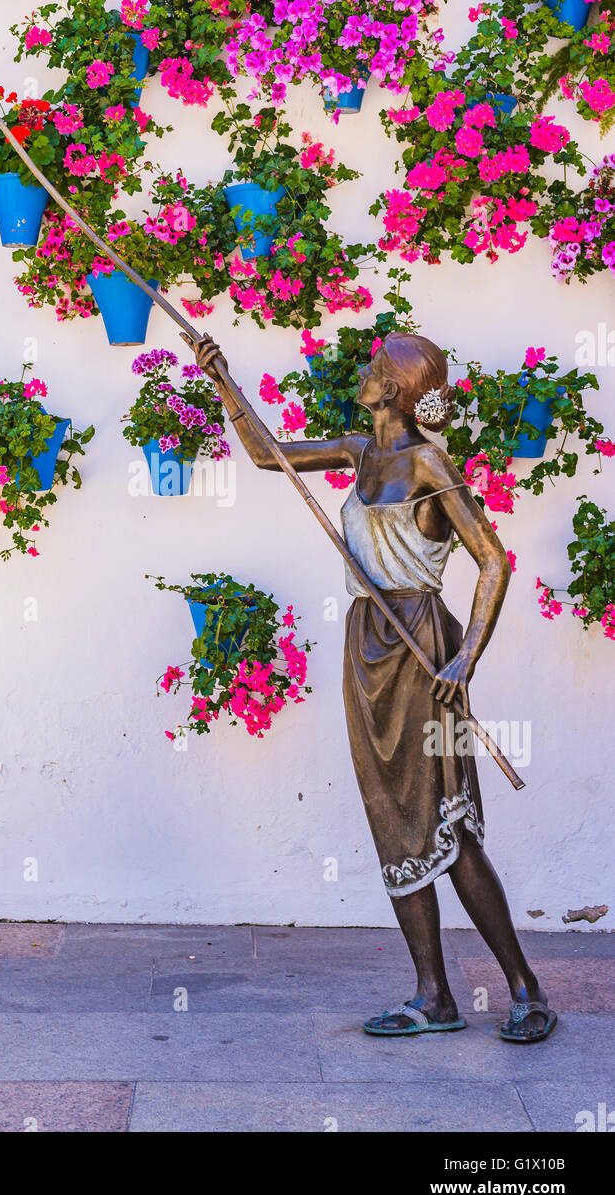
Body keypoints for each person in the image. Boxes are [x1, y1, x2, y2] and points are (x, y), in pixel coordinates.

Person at [186, 326, 556, 1042]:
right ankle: (432, 995)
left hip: (422, 644)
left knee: (449, 823)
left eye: (372, 365)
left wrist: (465, 657)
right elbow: (268, 456)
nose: (362, 370)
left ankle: (523, 987)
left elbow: (493, 561)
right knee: (393, 820)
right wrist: (222, 381)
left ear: (391, 388)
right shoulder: (357, 454)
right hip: (368, 644)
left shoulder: (427, 464)